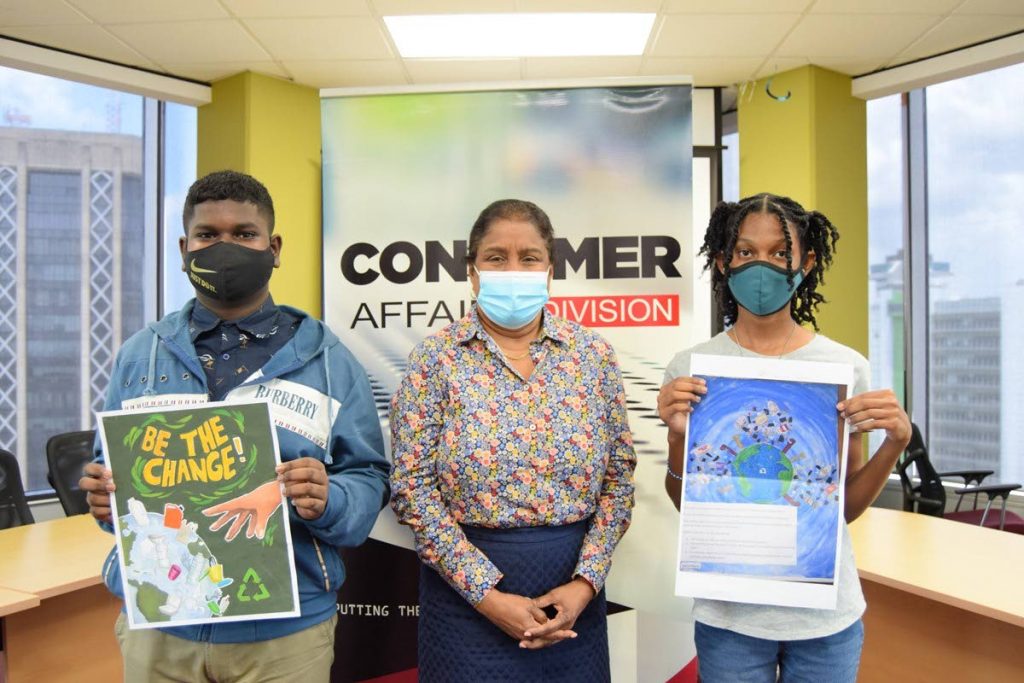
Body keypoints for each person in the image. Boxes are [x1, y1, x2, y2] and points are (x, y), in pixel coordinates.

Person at [80, 170, 390, 683]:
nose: (225, 248)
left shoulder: (328, 359)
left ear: (274, 246)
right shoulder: (139, 355)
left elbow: (369, 478)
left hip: (283, 638)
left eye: (244, 234)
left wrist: (329, 497)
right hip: (162, 628)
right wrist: (103, 498)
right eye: (207, 236)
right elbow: (109, 476)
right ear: (184, 249)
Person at [658, 193, 911, 683]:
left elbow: (843, 507)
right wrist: (675, 441)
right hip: (729, 617)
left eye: (780, 253)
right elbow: (686, 504)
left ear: (807, 262)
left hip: (826, 617)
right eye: (746, 252)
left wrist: (895, 444)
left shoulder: (843, 367)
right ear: (723, 260)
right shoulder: (690, 368)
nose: (763, 267)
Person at [389, 199, 636, 682]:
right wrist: (488, 596)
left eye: (529, 257)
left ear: (550, 268)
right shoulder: (436, 360)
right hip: (464, 600)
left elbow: (619, 479)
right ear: (473, 272)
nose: (513, 268)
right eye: (496, 257)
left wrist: (584, 585)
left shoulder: (592, 356)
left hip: (572, 598)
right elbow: (411, 489)